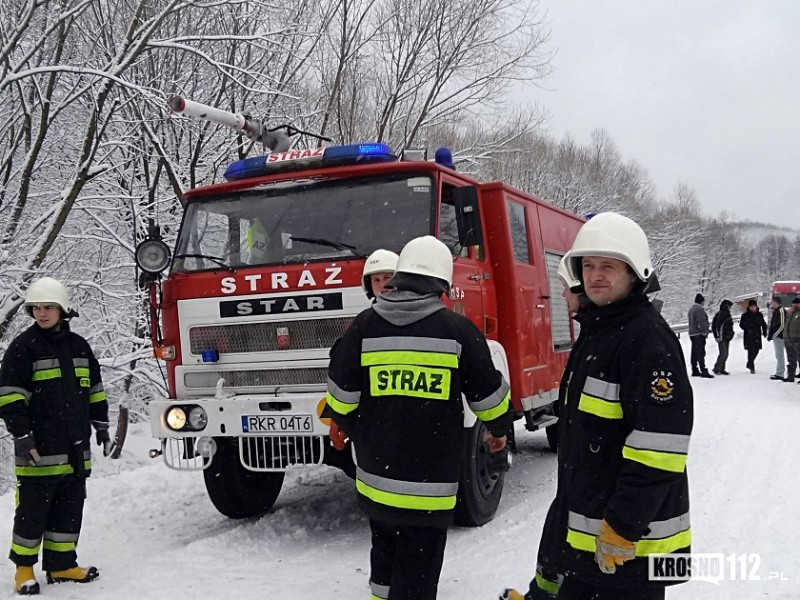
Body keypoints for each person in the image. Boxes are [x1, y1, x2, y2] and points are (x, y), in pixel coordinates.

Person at [503, 212, 692, 600]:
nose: (595, 275)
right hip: (590, 541)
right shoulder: (599, 331)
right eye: (588, 266)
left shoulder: (647, 342)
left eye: (608, 266)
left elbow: (659, 451)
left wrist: (622, 525)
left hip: (631, 549)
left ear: (635, 273)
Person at [326, 235, 512, 600]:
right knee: (419, 567)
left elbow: (341, 396)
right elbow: (489, 398)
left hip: (376, 479)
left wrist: (345, 426)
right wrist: (499, 431)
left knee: (384, 557)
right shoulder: (457, 332)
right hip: (430, 487)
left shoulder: (364, 327)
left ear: (398, 278)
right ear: (441, 284)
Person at [0, 277, 109, 595]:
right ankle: (24, 570)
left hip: (75, 450)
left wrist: (101, 425)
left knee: (69, 508)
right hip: (38, 451)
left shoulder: (80, 348)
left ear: (63, 310)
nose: (42, 313)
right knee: (32, 512)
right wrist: (22, 435)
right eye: (36, 307)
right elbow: (9, 398)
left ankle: (62, 566)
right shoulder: (23, 349)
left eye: (48, 307)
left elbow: (95, 391)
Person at [687, 293, 713, 378]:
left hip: (692, 333)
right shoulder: (699, 310)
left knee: (694, 352)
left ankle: (695, 369)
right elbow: (701, 322)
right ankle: (703, 370)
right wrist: (704, 331)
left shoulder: (691, 309)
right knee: (700, 352)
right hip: (698, 334)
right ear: (702, 301)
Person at [739, 299, 767, 374]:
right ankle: (751, 366)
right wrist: (747, 328)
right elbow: (741, 324)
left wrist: (764, 331)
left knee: (757, 350)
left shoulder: (759, 314)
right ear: (749, 307)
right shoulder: (745, 315)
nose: (753, 308)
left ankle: (750, 362)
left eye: (754, 306)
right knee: (750, 350)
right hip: (749, 335)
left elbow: (763, 324)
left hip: (757, 334)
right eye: (752, 306)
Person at [711, 299, 734, 375]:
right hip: (722, 336)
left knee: (725, 353)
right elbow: (718, 326)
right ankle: (717, 368)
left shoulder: (725, 314)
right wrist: (718, 336)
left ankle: (721, 368)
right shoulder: (722, 314)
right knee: (723, 353)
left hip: (726, 336)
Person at [767, 296, 786, 381]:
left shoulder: (781, 311)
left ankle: (780, 373)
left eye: (773, 302)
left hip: (780, 336)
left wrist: (775, 334)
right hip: (776, 336)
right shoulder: (775, 311)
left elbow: (782, 324)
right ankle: (779, 372)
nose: (772, 304)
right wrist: (770, 334)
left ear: (777, 302)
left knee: (780, 355)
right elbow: (772, 324)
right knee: (778, 355)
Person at [781, 297, 800, 383]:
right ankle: (790, 376)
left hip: (797, 339)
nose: (795, 305)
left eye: (797, 304)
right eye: (794, 304)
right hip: (788, 339)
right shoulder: (790, 313)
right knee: (791, 359)